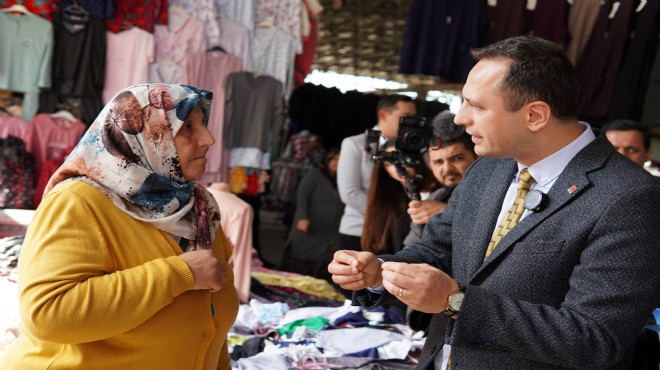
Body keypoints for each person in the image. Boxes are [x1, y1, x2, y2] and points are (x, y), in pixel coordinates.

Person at [328, 35, 660, 370]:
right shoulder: (489, 167)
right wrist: (379, 273)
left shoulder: (629, 198)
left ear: (535, 115)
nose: (460, 118)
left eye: (477, 106)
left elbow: (595, 339)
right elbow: (437, 252)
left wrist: (456, 302)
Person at [1, 84, 239, 369]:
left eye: (203, 124)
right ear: (142, 136)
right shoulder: (79, 201)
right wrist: (181, 274)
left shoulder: (199, 207)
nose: (208, 139)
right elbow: (48, 315)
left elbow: (211, 326)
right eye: (187, 126)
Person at [337, 94, 416, 251]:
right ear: (383, 114)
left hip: (400, 233)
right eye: (404, 117)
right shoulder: (355, 144)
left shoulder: (413, 148)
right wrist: (386, 214)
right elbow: (349, 192)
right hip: (360, 229)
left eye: (413, 117)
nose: (410, 123)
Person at [404, 110, 477, 247]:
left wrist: (447, 212)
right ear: (429, 165)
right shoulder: (435, 198)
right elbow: (412, 247)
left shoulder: (495, 192)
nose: (447, 168)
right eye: (438, 162)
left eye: (456, 158)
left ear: (476, 157)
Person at [361, 140, 438, 256]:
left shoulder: (442, 190)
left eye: (402, 157)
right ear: (385, 169)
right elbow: (378, 245)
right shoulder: (387, 202)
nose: (398, 165)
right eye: (390, 162)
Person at [279, 148, 343, 281]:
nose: (337, 162)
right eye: (333, 159)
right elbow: (302, 196)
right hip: (309, 226)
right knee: (299, 256)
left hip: (330, 231)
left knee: (322, 261)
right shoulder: (314, 175)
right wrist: (302, 217)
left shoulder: (344, 179)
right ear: (326, 161)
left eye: (340, 159)